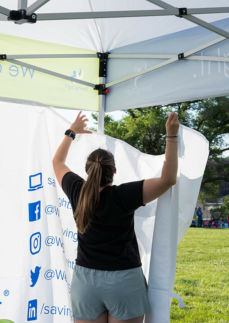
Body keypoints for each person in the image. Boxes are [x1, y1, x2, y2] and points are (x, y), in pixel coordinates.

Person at [53, 111, 179, 323]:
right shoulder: (123, 195)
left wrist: (71, 132)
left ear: (87, 170)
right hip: (124, 281)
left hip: (85, 283)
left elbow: (57, 162)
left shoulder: (77, 190)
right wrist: (171, 137)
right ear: (114, 171)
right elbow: (168, 179)